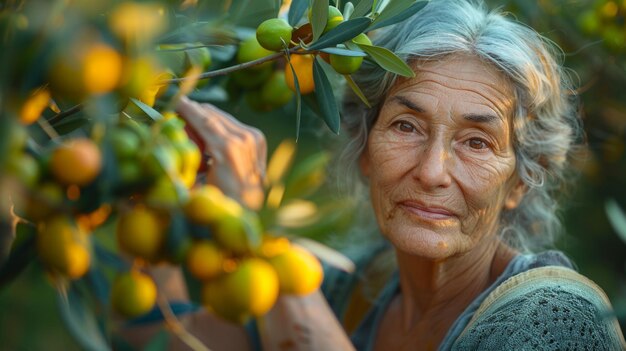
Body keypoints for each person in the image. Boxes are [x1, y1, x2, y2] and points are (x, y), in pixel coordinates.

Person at [126, 0, 626, 349]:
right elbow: (168, 342)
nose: (432, 172)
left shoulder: (556, 322)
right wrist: (151, 193)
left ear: (520, 180)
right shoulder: (348, 291)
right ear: (364, 149)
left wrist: (259, 232)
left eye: (477, 142)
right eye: (406, 126)